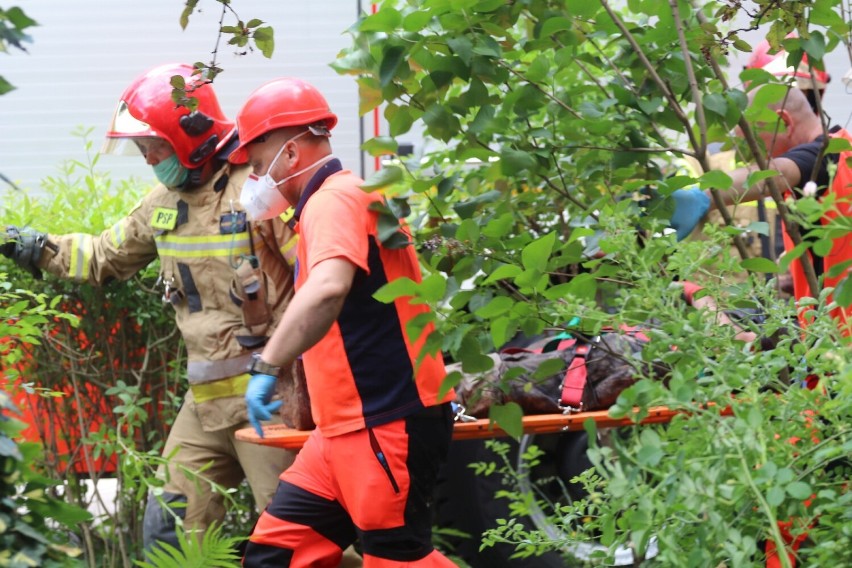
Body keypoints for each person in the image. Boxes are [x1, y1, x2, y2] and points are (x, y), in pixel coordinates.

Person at [1, 63, 299, 552]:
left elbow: (318, 282)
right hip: (204, 407)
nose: (147, 160)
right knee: (169, 536)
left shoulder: (257, 192)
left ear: (189, 136)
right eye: (142, 150)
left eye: (152, 146)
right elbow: (102, 254)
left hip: (270, 400)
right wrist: (32, 247)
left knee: (296, 542)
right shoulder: (163, 203)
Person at [230, 77, 457, 567]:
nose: (252, 179)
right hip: (342, 433)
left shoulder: (333, 199)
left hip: (384, 419)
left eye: (254, 164)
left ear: (289, 153)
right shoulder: (335, 200)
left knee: (397, 559)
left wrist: (268, 365)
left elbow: (329, 288)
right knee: (275, 554)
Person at [674, 84, 851, 335]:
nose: (751, 157)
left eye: (754, 143)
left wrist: (703, 196)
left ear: (784, 121)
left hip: (841, 347)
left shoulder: (828, 154)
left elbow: (777, 173)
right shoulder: (840, 160)